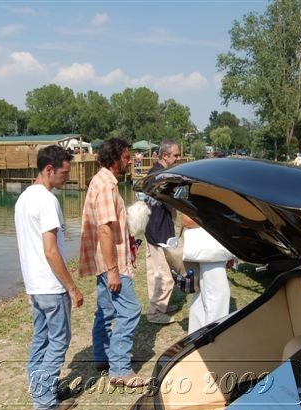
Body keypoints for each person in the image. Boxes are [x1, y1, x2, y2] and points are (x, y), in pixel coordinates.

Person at [14, 145, 84, 410]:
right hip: (51, 287)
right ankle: (44, 401)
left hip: (36, 284)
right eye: (65, 173)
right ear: (49, 170)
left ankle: (43, 387)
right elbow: (51, 250)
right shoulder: (46, 200)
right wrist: (72, 287)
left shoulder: (23, 199)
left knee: (41, 339)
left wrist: (28, 284)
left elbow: (21, 246)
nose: (67, 177)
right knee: (58, 340)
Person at [79, 137, 146, 388]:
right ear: (116, 158)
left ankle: (102, 357)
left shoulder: (100, 180)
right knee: (130, 311)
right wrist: (114, 271)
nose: (130, 161)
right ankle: (120, 369)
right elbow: (105, 230)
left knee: (106, 311)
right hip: (112, 261)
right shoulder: (107, 185)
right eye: (127, 157)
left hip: (103, 259)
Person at [144, 139, 182, 324]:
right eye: (175, 155)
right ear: (165, 156)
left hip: (152, 228)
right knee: (165, 277)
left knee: (155, 272)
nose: (179, 158)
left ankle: (159, 305)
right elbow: (173, 203)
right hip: (158, 231)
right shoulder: (161, 176)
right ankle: (156, 312)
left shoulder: (154, 173)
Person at [181, 213, 232, 334]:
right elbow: (186, 220)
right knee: (217, 298)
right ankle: (212, 338)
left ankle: (198, 336)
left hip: (210, 252)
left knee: (202, 297)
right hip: (209, 253)